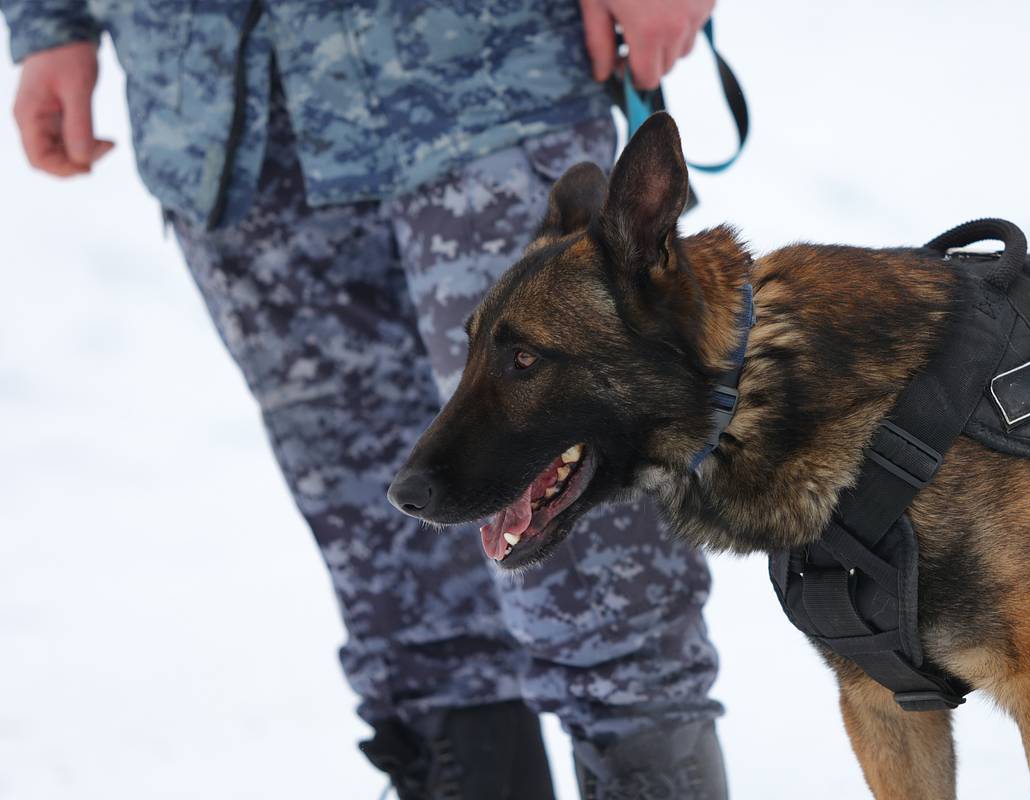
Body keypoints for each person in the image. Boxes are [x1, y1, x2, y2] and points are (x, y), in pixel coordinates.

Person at [4, 1, 726, 797]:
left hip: (473, 82)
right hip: (227, 124)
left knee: (602, 590)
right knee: (404, 595)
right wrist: (50, 23)